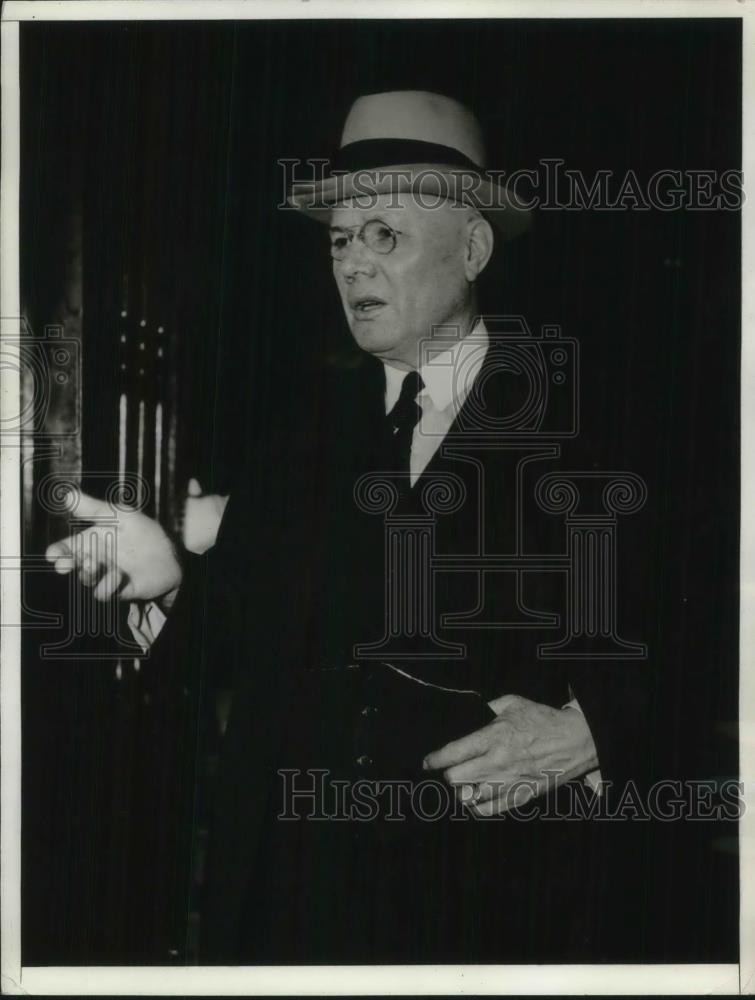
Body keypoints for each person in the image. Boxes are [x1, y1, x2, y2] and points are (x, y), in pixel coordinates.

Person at [46, 91, 649, 962]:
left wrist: (592, 732)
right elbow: (249, 640)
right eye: (339, 239)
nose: (352, 266)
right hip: (286, 922)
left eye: (385, 236)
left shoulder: (594, 438)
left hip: (489, 921)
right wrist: (171, 575)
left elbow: (700, 640)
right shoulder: (298, 448)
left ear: (473, 247)